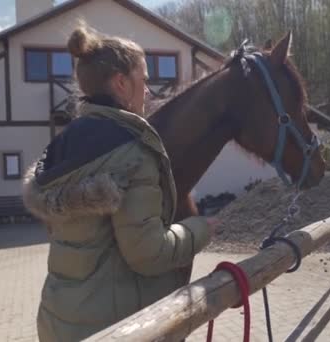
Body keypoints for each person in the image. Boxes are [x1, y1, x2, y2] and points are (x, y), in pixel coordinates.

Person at [22, 21, 216, 341]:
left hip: (58, 323)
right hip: (116, 329)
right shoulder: (133, 152)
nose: (149, 91)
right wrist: (200, 229)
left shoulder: (61, 145)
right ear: (122, 83)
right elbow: (148, 255)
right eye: (144, 79)